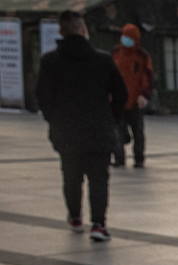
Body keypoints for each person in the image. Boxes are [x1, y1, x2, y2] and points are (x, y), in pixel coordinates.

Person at [35, 10, 125, 243]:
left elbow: (42, 96)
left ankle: (75, 217)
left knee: (71, 176)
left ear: (61, 31)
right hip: (98, 129)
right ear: (84, 30)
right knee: (99, 179)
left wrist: (53, 119)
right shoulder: (103, 60)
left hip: (66, 131)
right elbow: (121, 94)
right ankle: (98, 224)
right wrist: (110, 118)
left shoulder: (50, 61)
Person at [111, 24, 152, 168]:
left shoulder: (142, 56)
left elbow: (147, 76)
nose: (126, 40)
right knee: (116, 132)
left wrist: (145, 94)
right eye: (124, 36)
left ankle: (139, 159)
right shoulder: (115, 54)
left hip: (135, 100)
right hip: (117, 100)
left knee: (138, 132)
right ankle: (119, 158)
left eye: (129, 37)